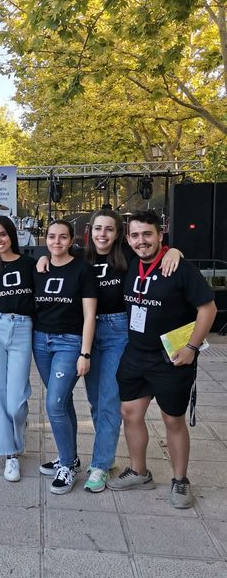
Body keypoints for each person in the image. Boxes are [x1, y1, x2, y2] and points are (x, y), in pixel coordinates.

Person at [38, 210, 182, 493]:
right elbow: (56, 257)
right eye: (98, 229)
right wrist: (44, 259)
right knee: (94, 400)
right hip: (86, 331)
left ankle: (100, 465)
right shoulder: (80, 257)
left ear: (118, 234)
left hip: (117, 332)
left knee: (108, 401)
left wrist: (174, 250)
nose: (102, 234)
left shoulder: (127, 256)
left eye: (109, 229)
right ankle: (93, 455)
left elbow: (155, 254)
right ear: (89, 231)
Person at [107, 210, 216, 509]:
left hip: (171, 358)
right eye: (135, 235)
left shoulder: (179, 267)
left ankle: (180, 480)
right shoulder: (129, 262)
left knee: (172, 419)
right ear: (128, 239)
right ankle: (139, 472)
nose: (141, 241)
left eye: (147, 234)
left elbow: (208, 309)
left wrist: (192, 348)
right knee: (130, 413)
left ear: (160, 235)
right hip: (135, 354)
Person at [33, 219, 97, 495]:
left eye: (62, 237)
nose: (56, 241)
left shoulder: (83, 270)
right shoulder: (40, 268)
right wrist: (42, 259)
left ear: (71, 240)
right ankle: (69, 457)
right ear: (45, 239)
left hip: (70, 343)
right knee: (63, 400)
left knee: (54, 404)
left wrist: (85, 352)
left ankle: (68, 466)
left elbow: (90, 315)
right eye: (51, 236)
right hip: (41, 341)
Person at [0, 216, 36, 482]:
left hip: (22, 328)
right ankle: (10, 454)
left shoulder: (30, 264)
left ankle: (19, 426)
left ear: (11, 234)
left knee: (15, 402)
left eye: (2, 234)